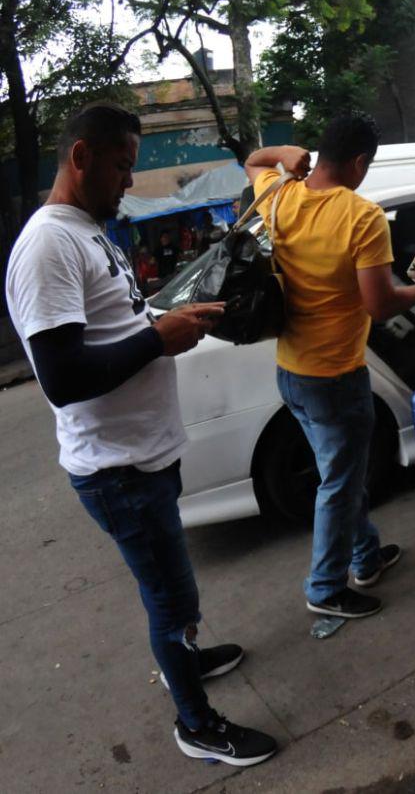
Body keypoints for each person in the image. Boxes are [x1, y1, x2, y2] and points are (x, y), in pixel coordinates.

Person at [4, 103, 277, 766]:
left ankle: (184, 656)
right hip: (118, 471)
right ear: (80, 159)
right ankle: (196, 724)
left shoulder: (89, 231)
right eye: (123, 165)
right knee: (172, 597)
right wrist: (157, 338)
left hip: (145, 458)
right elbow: (63, 375)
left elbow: (115, 327)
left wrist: (172, 322)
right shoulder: (48, 246)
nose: (129, 180)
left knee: (172, 596)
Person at [243, 116, 415, 620]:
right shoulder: (361, 216)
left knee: (341, 474)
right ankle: (326, 587)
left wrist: (285, 152)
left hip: (291, 370)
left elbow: (253, 161)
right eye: (367, 166)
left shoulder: (280, 197)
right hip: (335, 375)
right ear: (358, 162)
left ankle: (366, 556)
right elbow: (379, 305)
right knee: (340, 483)